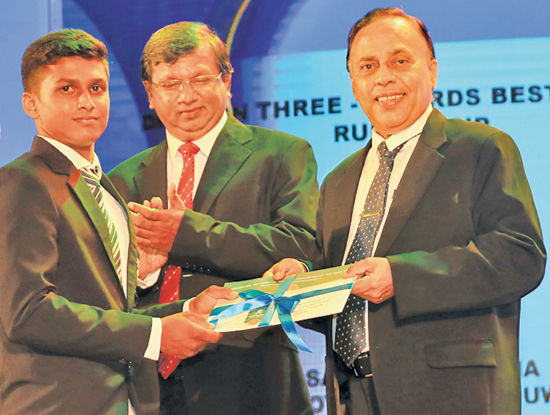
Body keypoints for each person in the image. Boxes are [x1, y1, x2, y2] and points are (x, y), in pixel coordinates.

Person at [266, 7, 546, 415]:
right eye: (368, 66)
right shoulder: (338, 180)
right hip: (352, 394)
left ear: (432, 70)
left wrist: (401, 277)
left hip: (451, 393)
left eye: (400, 60)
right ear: (354, 83)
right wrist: (304, 281)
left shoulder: (482, 148)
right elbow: (344, 282)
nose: (384, 77)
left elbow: (520, 257)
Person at [0, 29, 237, 415]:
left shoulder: (105, 188)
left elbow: (112, 313)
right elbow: (29, 312)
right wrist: (158, 334)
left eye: (97, 88)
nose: (86, 102)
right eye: (66, 89)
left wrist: (187, 310)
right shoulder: (22, 181)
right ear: (32, 104)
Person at [108, 22, 319, 415]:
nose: (185, 96)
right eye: (170, 84)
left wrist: (186, 235)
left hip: (252, 378)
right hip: (150, 385)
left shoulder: (280, 153)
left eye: (200, 79)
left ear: (227, 81)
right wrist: (143, 274)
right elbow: (102, 294)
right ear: (150, 94)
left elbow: (301, 244)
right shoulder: (121, 179)